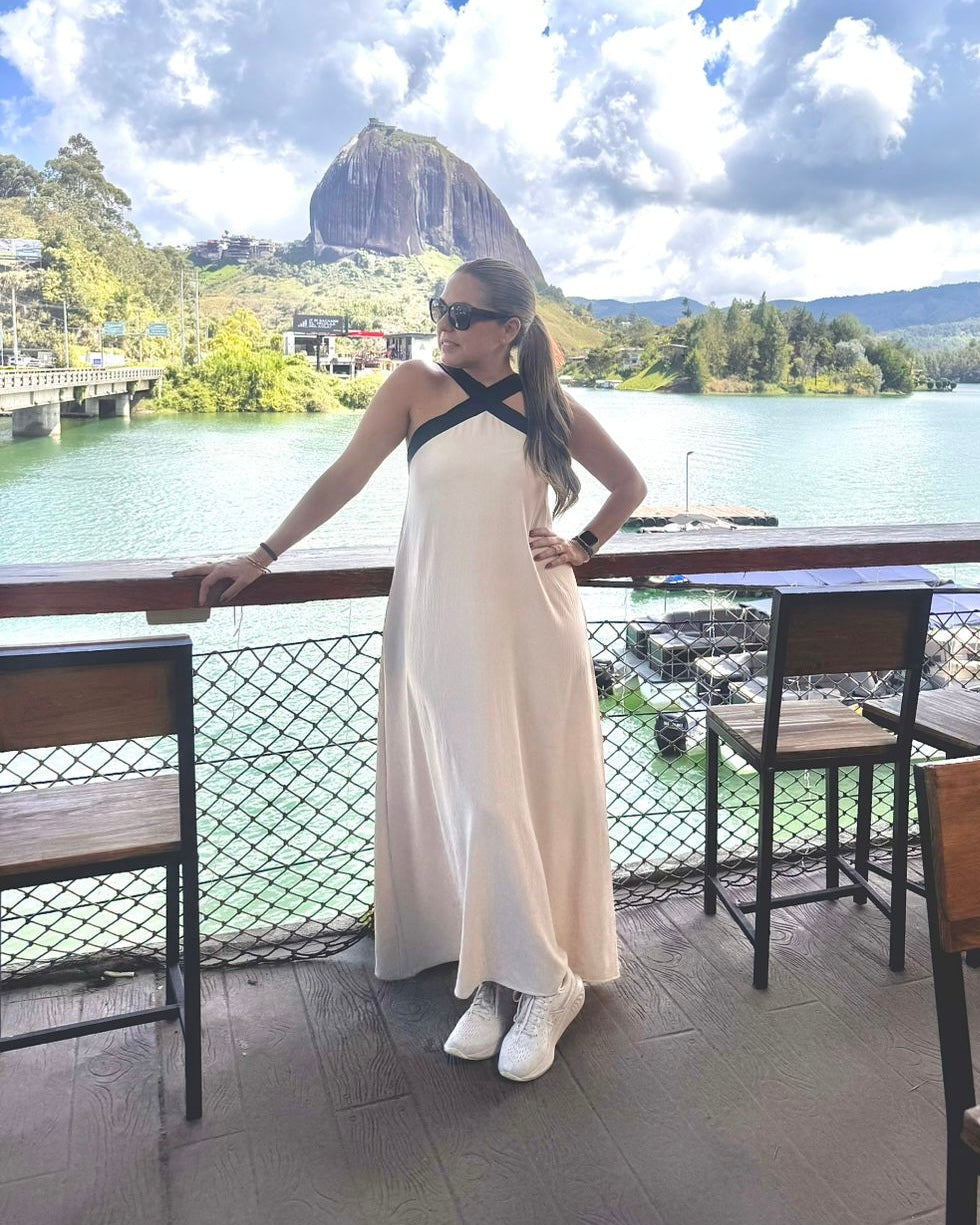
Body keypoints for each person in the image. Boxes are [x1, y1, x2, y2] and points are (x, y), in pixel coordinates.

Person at [177, 258, 647, 1082]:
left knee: (514, 799)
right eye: (440, 308)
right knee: (471, 802)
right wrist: (261, 555)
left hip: (533, 627)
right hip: (436, 624)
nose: (444, 324)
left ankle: (546, 984)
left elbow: (629, 485)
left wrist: (582, 546)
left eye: (462, 314)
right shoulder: (412, 387)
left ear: (508, 329)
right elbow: (343, 477)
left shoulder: (548, 404)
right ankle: (502, 976)